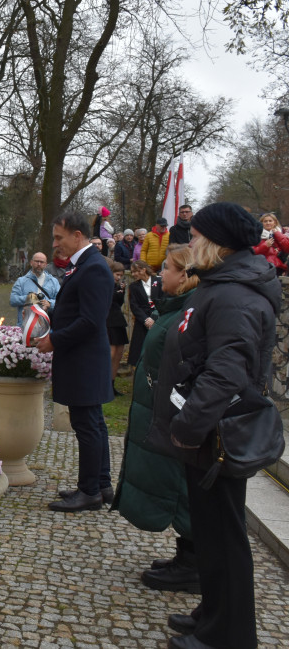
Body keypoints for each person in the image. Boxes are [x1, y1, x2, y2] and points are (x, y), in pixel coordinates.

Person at [150, 203, 279, 649]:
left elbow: (227, 372)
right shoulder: (222, 285)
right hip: (207, 432)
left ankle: (228, 637)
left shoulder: (235, 296)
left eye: (199, 237)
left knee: (224, 537)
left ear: (220, 244)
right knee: (210, 533)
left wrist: (188, 425)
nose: (191, 244)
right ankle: (213, 615)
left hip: (216, 432)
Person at [112, 245, 201, 596]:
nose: (159, 274)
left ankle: (193, 564)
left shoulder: (189, 313)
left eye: (166, 269)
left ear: (186, 275)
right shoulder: (174, 308)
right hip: (159, 414)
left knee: (181, 488)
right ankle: (186, 555)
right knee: (174, 485)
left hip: (173, 418)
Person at [36, 211, 114, 512]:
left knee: (87, 425)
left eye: (59, 237)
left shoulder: (92, 267)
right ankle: (101, 484)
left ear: (77, 236)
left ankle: (90, 491)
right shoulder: (84, 265)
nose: (55, 244)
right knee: (94, 423)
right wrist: (48, 316)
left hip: (85, 361)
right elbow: (75, 310)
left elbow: (90, 321)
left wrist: (54, 339)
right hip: (84, 359)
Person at [126, 260, 161, 368]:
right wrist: (146, 320)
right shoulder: (134, 286)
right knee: (139, 349)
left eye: (135, 271)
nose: (133, 274)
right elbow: (134, 306)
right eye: (132, 272)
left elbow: (164, 299)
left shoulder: (159, 281)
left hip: (159, 319)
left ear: (143, 269)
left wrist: (154, 317)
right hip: (142, 322)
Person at [9, 251, 59, 325]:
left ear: (46, 264)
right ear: (31, 262)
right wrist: (29, 298)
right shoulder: (21, 281)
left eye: (42, 262)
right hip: (25, 325)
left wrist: (50, 303)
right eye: (37, 261)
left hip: (46, 325)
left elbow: (62, 301)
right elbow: (13, 300)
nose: (39, 264)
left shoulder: (53, 282)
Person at [106, 259, 128, 396]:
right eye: (117, 274)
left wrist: (122, 292)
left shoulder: (118, 286)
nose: (118, 277)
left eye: (120, 275)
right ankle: (104, 384)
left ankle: (112, 384)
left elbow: (119, 303)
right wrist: (117, 292)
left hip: (118, 320)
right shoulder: (106, 284)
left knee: (118, 354)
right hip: (108, 321)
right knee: (111, 353)